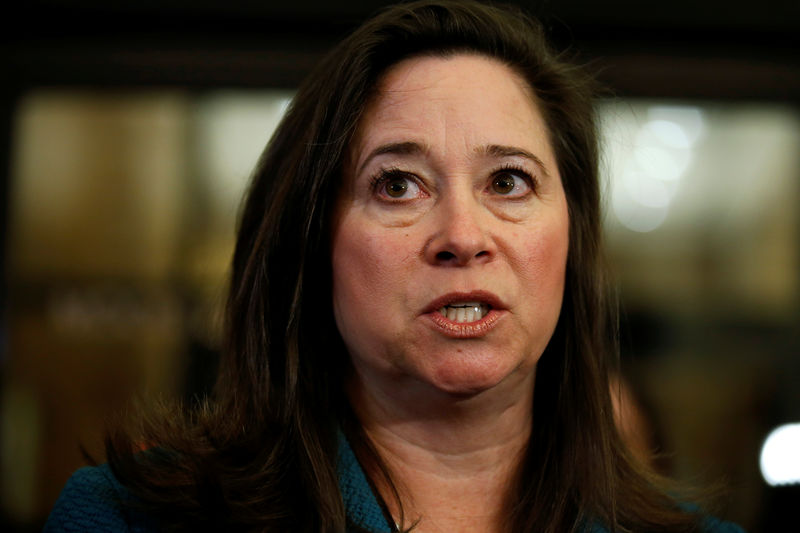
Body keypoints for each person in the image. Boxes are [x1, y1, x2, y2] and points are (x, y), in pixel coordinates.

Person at [45, 1, 745, 532]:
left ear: (572, 237)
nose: (462, 236)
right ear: (315, 241)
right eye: (397, 185)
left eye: (507, 181)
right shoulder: (129, 518)